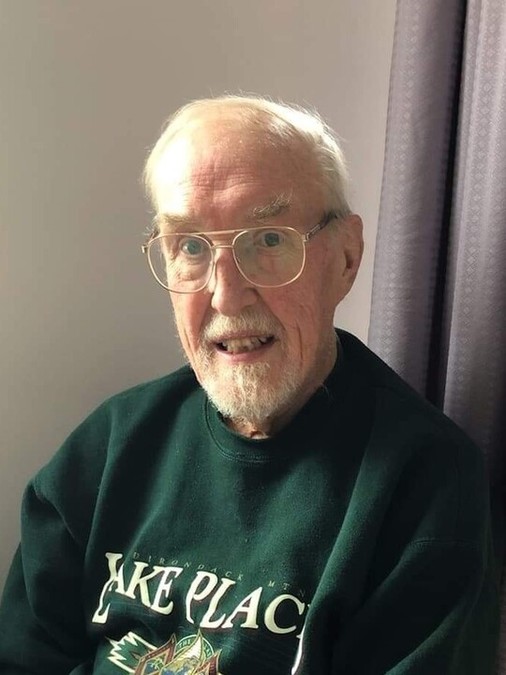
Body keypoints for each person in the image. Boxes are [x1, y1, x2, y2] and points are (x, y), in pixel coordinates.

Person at [0, 95, 499, 674]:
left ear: (345, 257)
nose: (226, 295)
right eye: (190, 246)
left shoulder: (425, 485)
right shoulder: (105, 449)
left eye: (268, 240)